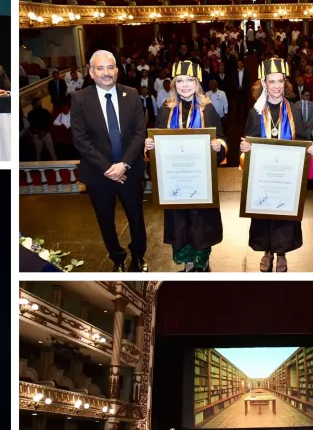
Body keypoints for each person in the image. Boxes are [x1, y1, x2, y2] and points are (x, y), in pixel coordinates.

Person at [70, 50, 148, 272]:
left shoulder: (131, 94)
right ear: (91, 72)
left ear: (117, 70)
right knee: (105, 220)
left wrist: (123, 165)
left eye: (110, 67)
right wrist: (108, 168)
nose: (106, 73)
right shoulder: (79, 99)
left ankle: (138, 255)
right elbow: (80, 140)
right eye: (100, 68)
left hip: (129, 171)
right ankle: (117, 258)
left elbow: (140, 133)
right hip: (98, 174)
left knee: (136, 217)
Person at [145, 61, 227, 272]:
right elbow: (157, 142)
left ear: (197, 83)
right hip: (175, 181)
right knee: (180, 220)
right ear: (174, 84)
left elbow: (222, 138)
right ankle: (188, 261)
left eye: (189, 80)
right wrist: (150, 146)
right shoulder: (166, 109)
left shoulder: (208, 108)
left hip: (200, 179)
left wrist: (219, 146)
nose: (185, 85)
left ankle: (201, 260)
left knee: (201, 221)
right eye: (180, 81)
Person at [240, 58, 313, 272]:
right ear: (264, 83)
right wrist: (245, 149)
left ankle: (281, 253)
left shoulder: (294, 110)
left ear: (285, 83)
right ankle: (267, 251)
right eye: (271, 81)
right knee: (265, 213)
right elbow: (249, 141)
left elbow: (303, 139)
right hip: (263, 176)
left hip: (287, 176)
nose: (276, 86)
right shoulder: (255, 111)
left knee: (284, 215)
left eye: (280, 81)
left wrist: (308, 149)